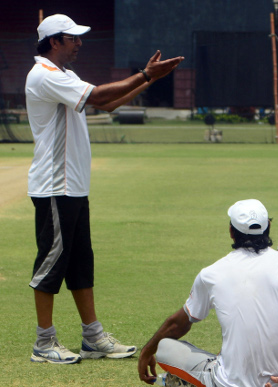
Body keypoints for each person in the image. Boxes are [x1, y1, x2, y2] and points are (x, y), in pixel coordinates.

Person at [26, 14, 184, 364]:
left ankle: (93, 338)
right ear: (54, 41)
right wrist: (145, 75)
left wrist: (150, 79)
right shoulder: (44, 75)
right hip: (54, 187)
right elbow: (98, 96)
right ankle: (43, 342)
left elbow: (107, 103)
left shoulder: (65, 76)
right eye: (73, 38)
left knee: (81, 264)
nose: (79, 43)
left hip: (73, 187)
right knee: (51, 264)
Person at [138, 199, 278, 387]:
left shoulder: (211, 273)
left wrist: (147, 350)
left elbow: (177, 324)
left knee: (164, 346)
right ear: (269, 227)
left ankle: (203, 386)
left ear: (231, 232)